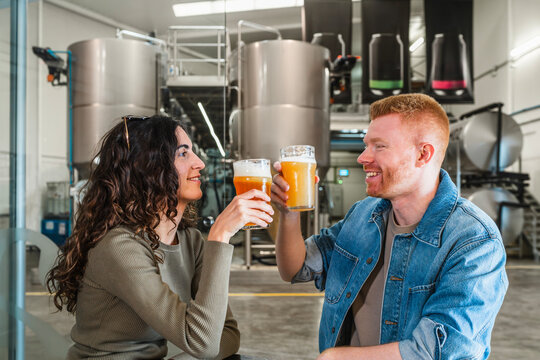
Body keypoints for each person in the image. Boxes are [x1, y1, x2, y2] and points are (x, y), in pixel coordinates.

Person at [271, 94, 508, 359]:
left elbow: (435, 351)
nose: (362, 157)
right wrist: (289, 213)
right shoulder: (363, 215)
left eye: (379, 146)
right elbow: (295, 269)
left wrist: (333, 357)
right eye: (366, 145)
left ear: (423, 154)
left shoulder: (474, 240)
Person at [47, 115, 274, 359]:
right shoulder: (120, 247)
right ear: (149, 168)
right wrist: (220, 236)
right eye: (183, 154)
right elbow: (204, 344)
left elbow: (227, 334)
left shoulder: (191, 242)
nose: (200, 163)